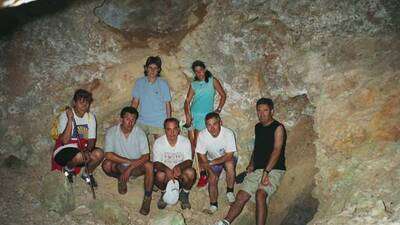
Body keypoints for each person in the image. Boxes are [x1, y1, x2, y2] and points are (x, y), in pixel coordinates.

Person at [214, 98, 287, 225]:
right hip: (258, 169)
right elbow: (257, 147)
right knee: (241, 195)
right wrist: (251, 164)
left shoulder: (278, 128)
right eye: (259, 111)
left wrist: (266, 172)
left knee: (260, 194)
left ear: (272, 111)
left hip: (274, 169)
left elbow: (277, 150)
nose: (262, 114)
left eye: (265, 110)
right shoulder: (258, 127)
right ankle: (225, 222)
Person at [101, 106, 153, 215]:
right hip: (120, 165)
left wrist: (130, 168)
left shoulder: (139, 133)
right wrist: (129, 162)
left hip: (136, 167)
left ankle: (147, 197)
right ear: (121, 119)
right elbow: (108, 154)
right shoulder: (112, 132)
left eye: (133, 119)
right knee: (106, 164)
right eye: (127, 118)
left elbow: (146, 156)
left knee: (149, 165)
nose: (130, 122)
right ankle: (121, 178)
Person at [184, 60, 226, 187]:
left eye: (201, 70)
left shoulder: (212, 80)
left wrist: (217, 110)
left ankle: (205, 173)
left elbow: (223, 95)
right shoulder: (194, 84)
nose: (199, 73)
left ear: (204, 69)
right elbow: (187, 101)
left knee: (200, 145)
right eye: (196, 71)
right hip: (194, 116)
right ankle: (197, 173)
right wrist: (188, 114)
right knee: (194, 145)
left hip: (206, 118)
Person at [53, 89, 104, 186]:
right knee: (80, 155)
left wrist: (88, 150)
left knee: (99, 153)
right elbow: (64, 141)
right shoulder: (65, 116)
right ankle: (68, 169)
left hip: (81, 150)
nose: (84, 106)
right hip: (63, 151)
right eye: (81, 102)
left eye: (87, 103)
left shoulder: (90, 117)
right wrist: (70, 120)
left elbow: (92, 140)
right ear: (74, 103)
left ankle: (87, 174)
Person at [196, 112, 237, 214]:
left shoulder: (228, 133)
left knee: (229, 165)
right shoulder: (202, 135)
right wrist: (209, 170)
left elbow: (229, 155)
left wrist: (211, 163)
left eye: (214, 124)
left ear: (220, 123)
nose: (212, 128)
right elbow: (201, 155)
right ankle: (213, 205)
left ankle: (230, 191)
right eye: (209, 125)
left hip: (225, 158)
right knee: (212, 179)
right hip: (211, 161)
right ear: (206, 126)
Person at [153, 118, 196, 210]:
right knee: (159, 175)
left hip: (179, 175)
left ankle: (184, 193)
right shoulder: (159, 142)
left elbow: (189, 161)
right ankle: (164, 192)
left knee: (191, 172)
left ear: (179, 130)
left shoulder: (185, 141)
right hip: (166, 176)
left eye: (174, 129)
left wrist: (179, 167)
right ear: (165, 130)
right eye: (168, 129)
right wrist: (167, 170)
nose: (172, 133)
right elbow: (156, 163)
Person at [131, 56, 172, 143]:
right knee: (137, 144)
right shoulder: (139, 82)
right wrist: (131, 117)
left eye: (155, 68)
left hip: (159, 120)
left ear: (159, 70)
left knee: (161, 145)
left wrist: (168, 121)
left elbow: (167, 104)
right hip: (142, 120)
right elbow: (135, 102)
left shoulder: (163, 83)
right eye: (150, 67)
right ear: (146, 68)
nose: (152, 70)